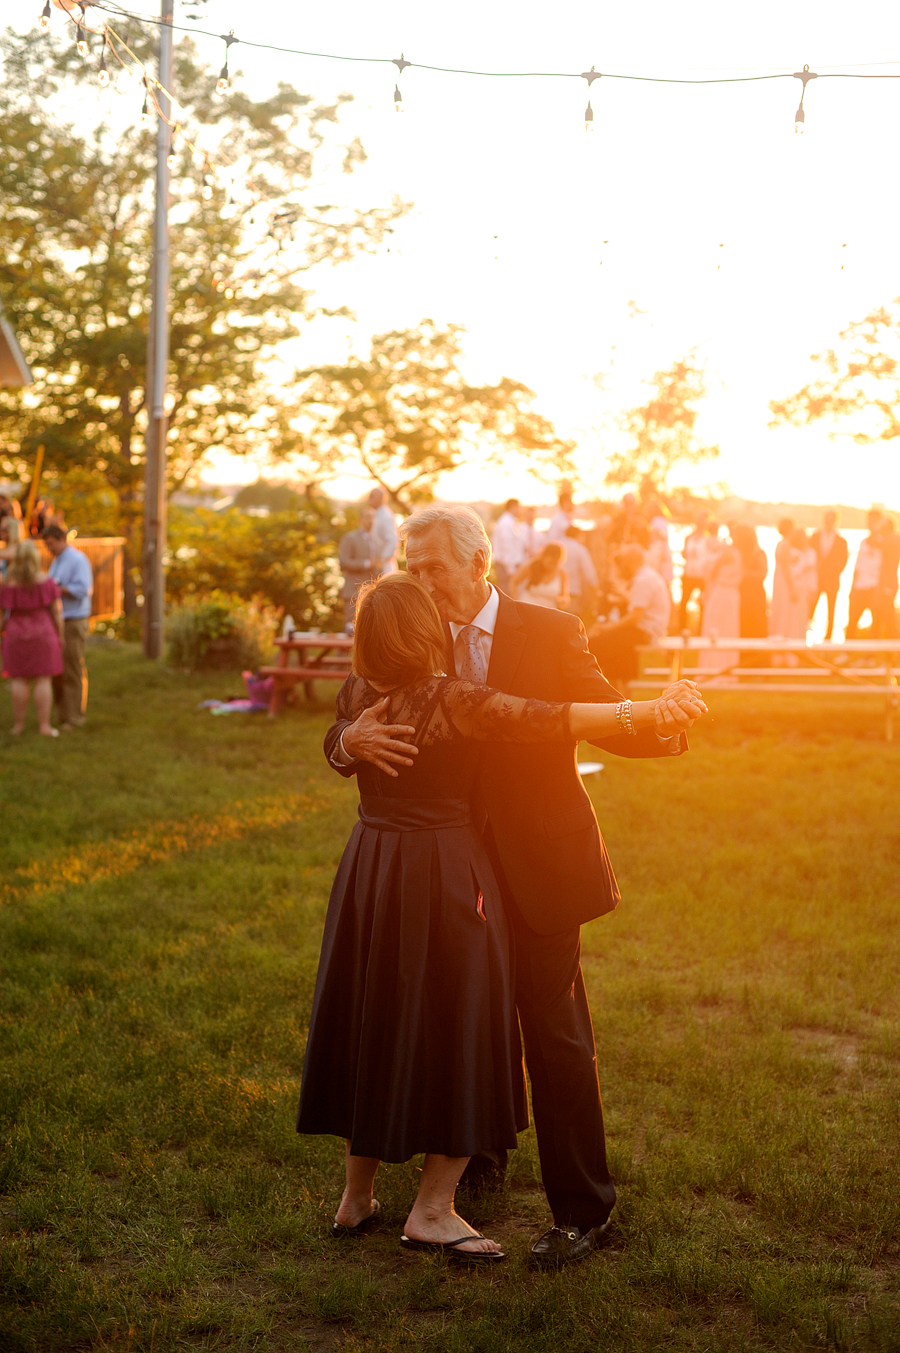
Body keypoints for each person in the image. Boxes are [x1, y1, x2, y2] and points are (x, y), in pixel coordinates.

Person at [324, 505, 703, 1266]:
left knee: (555, 1035)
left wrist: (662, 723)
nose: (420, 580)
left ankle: (582, 1209)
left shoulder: (548, 630)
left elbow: (574, 715)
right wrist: (342, 744)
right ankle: (472, 1166)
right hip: (440, 875)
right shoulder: (405, 636)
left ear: (478, 563)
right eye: (411, 566)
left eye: (432, 566)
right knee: (460, 1022)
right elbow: (353, 714)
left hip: (535, 865)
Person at [0, 540, 63, 737]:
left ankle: (18, 726)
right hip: (43, 633)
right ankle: (44, 726)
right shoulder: (46, 581)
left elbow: (2, 615)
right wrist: (60, 635)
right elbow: (56, 612)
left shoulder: (7, 584)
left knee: (18, 679)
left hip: (16, 633)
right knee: (43, 679)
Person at [588, 543, 672, 689]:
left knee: (594, 646)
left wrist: (608, 627)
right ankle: (618, 697)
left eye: (624, 561)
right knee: (617, 653)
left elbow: (635, 618)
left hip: (645, 632)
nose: (622, 565)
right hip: (647, 629)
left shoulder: (642, 580)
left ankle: (594, 688)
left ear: (631, 562)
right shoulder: (647, 576)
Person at [43, 525, 93, 730]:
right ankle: (62, 714)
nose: (48, 548)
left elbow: (83, 589)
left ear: (61, 539)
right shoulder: (56, 561)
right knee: (57, 669)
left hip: (73, 620)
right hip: (58, 621)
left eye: (51, 544)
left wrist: (56, 588)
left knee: (72, 668)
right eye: (46, 545)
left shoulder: (77, 560)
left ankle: (74, 717)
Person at [699, 530, 743, 670]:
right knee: (728, 630)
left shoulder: (729, 553)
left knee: (715, 627)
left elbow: (711, 572)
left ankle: (714, 666)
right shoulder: (740, 555)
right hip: (732, 593)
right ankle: (726, 666)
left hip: (721, 593)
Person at [338, 507, 381, 631]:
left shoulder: (377, 541)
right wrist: (367, 563)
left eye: (373, 517)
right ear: (360, 519)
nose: (370, 520)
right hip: (353, 593)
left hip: (372, 595)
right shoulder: (350, 538)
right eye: (367, 516)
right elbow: (344, 562)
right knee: (351, 631)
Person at [810, 510, 849, 641]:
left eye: (831, 520)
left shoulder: (841, 540)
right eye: (827, 519)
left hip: (832, 580)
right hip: (816, 579)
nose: (829, 522)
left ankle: (828, 638)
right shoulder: (815, 536)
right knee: (811, 606)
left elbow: (844, 559)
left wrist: (836, 572)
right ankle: (807, 636)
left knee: (831, 609)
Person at [846, 511, 884, 640]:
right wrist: (852, 589)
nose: (869, 523)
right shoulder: (863, 542)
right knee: (852, 620)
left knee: (876, 622)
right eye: (868, 520)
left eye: (872, 521)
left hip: (874, 587)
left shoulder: (884, 542)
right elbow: (857, 567)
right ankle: (847, 652)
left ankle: (871, 656)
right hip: (859, 587)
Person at [731, 524, 768, 646]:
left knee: (756, 623)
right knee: (742, 622)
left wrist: (746, 573)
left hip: (755, 593)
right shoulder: (738, 552)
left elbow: (763, 574)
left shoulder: (760, 553)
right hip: (742, 591)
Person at [510, 542, 570, 610]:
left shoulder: (562, 573)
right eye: (550, 562)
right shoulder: (531, 566)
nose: (552, 566)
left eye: (555, 563)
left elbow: (564, 596)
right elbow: (514, 582)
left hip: (548, 614)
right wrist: (516, 602)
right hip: (526, 609)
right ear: (543, 557)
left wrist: (563, 601)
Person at [679, 511, 711, 629]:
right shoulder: (689, 537)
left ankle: (700, 631)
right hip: (688, 574)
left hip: (702, 576)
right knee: (684, 603)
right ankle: (682, 629)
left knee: (702, 604)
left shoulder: (707, 539)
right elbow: (684, 554)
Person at [563, 525, 599, 624]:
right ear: (578, 535)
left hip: (556, 590)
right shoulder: (580, 549)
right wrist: (596, 590)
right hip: (573, 591)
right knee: (570, 622)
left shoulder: (558, 545)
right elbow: (589, 573)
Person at [491, 499, 526, 592]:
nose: (520, 510)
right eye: (519, 507)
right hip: (506, 567)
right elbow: (506, 547)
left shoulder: (510, 522)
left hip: (509, 566)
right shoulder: (505, 523)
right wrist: (511, 569)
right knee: (507, 594)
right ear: (513, 507)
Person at [875, 516, 899, 639]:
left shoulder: (893, 540)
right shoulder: (892, 539)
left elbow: (873, 541)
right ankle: (872, 654)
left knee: (889, 618)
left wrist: (877, 527)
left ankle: (894, 651)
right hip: (885, 584)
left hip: (888, 584)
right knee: (880, 617)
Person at [367, 488, 399, 575]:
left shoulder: (386, 516)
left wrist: (382, 560)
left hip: (384, 568)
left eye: (372, 496)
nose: (369, 498)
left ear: (380, 498)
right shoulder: (376, 514)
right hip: (378, 566)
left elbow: (392, 540)